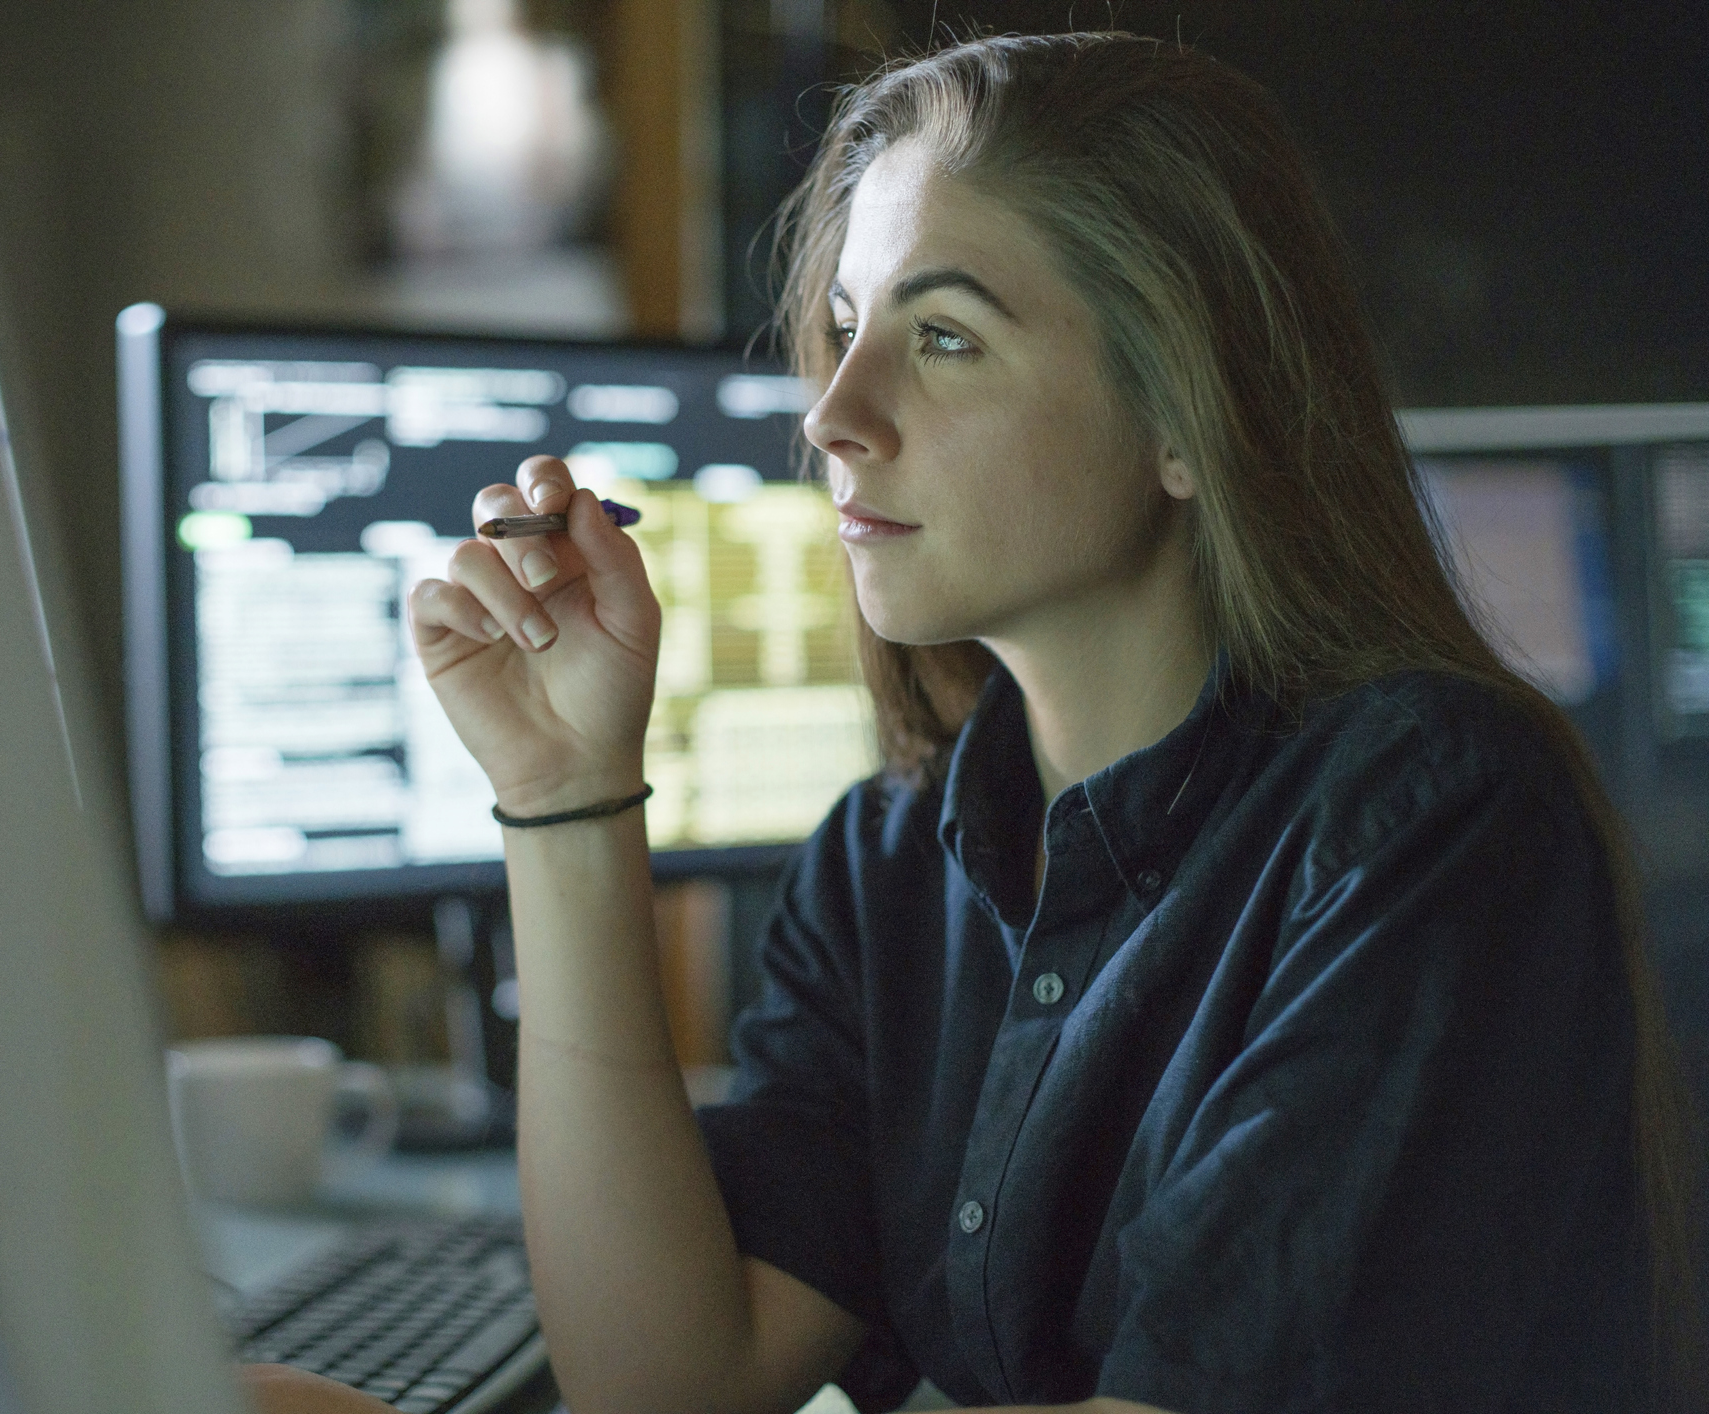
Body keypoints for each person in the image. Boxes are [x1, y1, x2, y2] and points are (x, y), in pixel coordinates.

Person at [249, 32, 1700, 1414]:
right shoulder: (886, 863)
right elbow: (669, 1380)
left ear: (1188, 417)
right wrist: (564, 795)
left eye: (943, 336)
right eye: (841, 327)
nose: (832, 414)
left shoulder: (1431, 817)